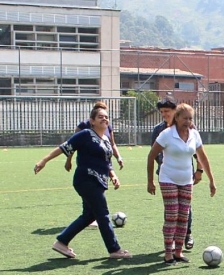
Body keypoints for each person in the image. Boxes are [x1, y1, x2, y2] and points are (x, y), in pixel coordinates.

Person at [34, 105, 132, 260]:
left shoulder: (106, 140)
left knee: (88, 215)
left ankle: (62, 242)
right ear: (92, 121)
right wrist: (44, 160)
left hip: (99, 181)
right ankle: (114, 249)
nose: (105, 119)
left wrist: (113, 175)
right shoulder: (86, 134)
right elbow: (64, 147)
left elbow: (106, 162)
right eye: (100, 117)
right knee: (103, 214)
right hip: (85, 179)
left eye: (106, 117)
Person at [147, 103, 216, 265]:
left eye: (190, 118)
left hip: (186, 180)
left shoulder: (194, 135)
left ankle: (178, 252)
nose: (188, 121)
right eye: (185, 118)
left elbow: (203, 158)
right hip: (168, 178)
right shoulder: (166, 134)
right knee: (172, 215)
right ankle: (168, 253)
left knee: (183, 217)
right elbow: (151, 156)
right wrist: (150, 181)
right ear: (177, 118)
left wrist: (211, 180)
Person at [151, 96, 200, 250]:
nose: (164, 114)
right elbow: (153, 153)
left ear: (175, 112)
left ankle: (187, 234)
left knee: (185, 208)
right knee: (171, 209)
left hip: (186, 174)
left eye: (167, 111)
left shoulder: (190, 127)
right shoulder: (159, 130)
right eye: (162, 112)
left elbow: (197, 151)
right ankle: (170, 244)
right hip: (166, 173)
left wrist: (199, 170)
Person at [66, 101, 124, 228]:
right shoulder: (84, 127)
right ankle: (94, 217)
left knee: (99, 188)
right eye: (100, 113)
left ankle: (91, 216)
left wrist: (118, 157)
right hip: (87, 163)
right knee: (91, 190)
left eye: (105, 114)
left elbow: (112, 144)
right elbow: (71, 145)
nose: (104, 117)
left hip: (104, 160)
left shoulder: (108, 127)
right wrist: (68, 159)